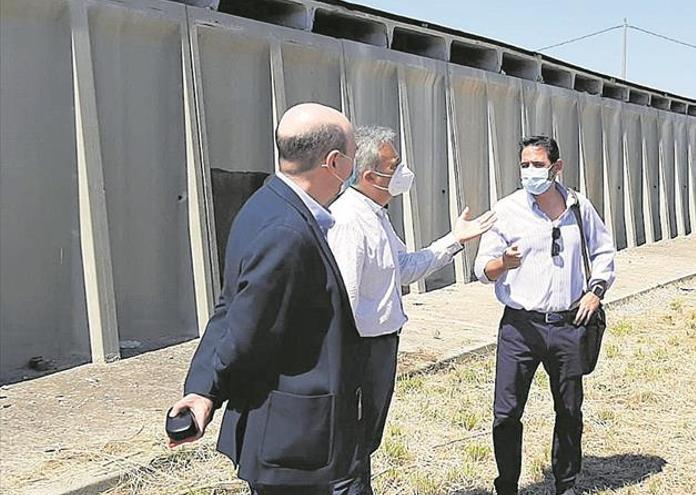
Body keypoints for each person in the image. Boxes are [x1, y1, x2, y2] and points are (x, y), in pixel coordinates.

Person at [167, 103, 363, 494]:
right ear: (335, 162)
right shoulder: (286, 231)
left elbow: (231, 306)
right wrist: (211, 391)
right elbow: (246, 332)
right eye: (353, 157)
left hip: (292, 433)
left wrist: (203, 387)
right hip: (294, 439)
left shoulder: (266, 203)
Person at [326, 126, 495, 495]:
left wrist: (455, 241)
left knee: (364, 444)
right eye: (395, 165)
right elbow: (343, 302)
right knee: (350, 449)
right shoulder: (350, 221)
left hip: (380, 347)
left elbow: (405, 266)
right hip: (359, 353)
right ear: (370, 176)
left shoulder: (376, 214)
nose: (403, 172)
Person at [473, 136, 616, 495]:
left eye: (537, 165)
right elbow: (481, 268)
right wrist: (502, 264)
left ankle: (565, 484)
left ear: (557, 167)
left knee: (569, 410)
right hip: (520, 328)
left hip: (569, 326)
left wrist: (595, 292)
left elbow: (603, 252)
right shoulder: (506, 210)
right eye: (525, 165)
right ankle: (506, 484)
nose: (530, 172)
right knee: (506, 413)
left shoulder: (579, 207)